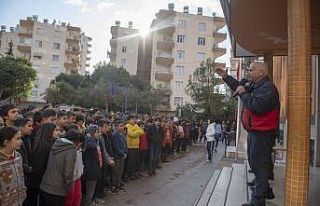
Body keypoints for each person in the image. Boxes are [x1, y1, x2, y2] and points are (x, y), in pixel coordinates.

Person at [216, 61, 280, 206]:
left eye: (251, 70)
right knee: (255, 163)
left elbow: (257, 106)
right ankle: (265, 189)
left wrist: (244, 93)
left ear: (261, 72)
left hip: (263, 133)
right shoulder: (256, 85)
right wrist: (226, 77)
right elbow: (239, 87)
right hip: (255, 131)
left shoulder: (268, 88)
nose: (248, 72)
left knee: (259, 164)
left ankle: (258, 200)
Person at [39, 129, 82, 206]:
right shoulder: (71, 149)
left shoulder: (56, 143)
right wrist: (69, 189)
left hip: (44, 186)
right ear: (76, 141)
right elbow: (68, 173)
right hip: (57, 190)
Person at [0, 126, 26, 206]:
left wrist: (23, 190)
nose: (21, 141)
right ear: (6, 142)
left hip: (19, 200)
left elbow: (21, 175)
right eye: (17, 139)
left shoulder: (18, 155)